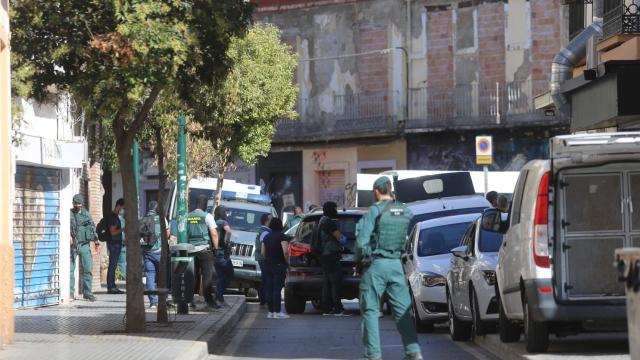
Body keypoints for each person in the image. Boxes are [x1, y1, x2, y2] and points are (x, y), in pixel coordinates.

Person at [356, 176, 422, 360]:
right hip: (396, 265)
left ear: (377, 191)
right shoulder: (404, 210)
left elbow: (361, 242)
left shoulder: (374, 211)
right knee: (402, 311)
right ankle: (414, 352)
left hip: (376, 264)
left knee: (370, 310)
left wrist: (359, 260)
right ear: (390, 190)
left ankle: (373, 355)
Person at [187, 195, 220, 309]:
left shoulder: (188, 216)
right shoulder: (207, 216)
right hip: (204, 250)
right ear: (205, 204)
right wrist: (216, 248)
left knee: (192, 276)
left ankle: (189, 300)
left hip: (190, 250)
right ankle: (209, 301)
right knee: (207, 277)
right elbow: (214, 234)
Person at [140, 201, 170, 309]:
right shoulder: (161, 219)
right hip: (159, 252)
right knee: (163, 275)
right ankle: (163, 299)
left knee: (150, 276)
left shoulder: (143, 219)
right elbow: (167, 234)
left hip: (147, 252)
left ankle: (153, 302)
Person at [319, 201, 346, 316]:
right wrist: (345, 240)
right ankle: (338, 309)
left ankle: (327, 308)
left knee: (328, 282)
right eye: (335, 208)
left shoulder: (322, 220)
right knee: (335, 282)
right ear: (330, 209)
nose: (336, 211)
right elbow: (339, 237)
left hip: (325, 255)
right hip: (331, 255)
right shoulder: (328, 222)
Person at [70, 194, 98, 302]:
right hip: (73, 245)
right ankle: (70, 293)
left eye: (79, 204)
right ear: (73, 203)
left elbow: (92, 228)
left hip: (84, 245)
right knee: (71, 270)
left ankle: (87, 293)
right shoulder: (69, 214)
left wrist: (96, 242)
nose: (77, 206)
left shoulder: (87, 215)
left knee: (88, 269)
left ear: (82, 204)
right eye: (75, 204)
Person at [261, 218, 290, 319]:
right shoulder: (282, 236)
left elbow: (262, 252)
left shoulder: (267, 236)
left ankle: (270, 312)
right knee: (277, 289)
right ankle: (277, 312)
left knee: (269, 288)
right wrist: (287, 262)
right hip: (279, 265)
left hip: (268, 265)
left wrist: (268, 259)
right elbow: (285, 251)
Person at [214, 205, 235, 306]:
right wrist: (227, 241)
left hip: (214, 253)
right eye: (225, 212)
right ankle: (219, 295)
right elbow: (228, 231)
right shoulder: (223, 222)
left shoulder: (214, 222)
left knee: (220, 276)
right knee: (230, 274)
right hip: (222, 253)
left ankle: (219, 297)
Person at [107, 198, 125, 294]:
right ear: (119, 206)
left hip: (115, 243)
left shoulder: (115, 216)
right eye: (123, 207)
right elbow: (113, 232)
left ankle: (112, 286)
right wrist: (123, 229)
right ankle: (111, 287)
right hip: (114, 243)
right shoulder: (113, 217)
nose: (123, 210)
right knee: (112, 265)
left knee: (113, 265)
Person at [255, 213, 272, 308]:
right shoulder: (265, 232)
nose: (272, 221)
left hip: (261, 257)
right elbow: (263, 245)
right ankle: (263, 301)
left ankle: (263, 300)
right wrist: (266, 257)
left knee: (264, 279)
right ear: (266, 220)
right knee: (265, 279)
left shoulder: (260, 230)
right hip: (264, 258)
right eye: (271, 219)